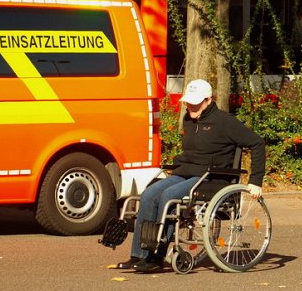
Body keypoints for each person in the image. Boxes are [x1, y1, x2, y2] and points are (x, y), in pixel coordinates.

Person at [114, 79, 266, 273]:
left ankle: (157, 257)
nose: (190, 107)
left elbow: (257, 143)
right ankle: (139, 254)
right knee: (148, 194)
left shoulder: (225, 122)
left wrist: (255, 181)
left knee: (169, 196)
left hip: (212, 177)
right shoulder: (188, 118)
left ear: (208, 100)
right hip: (186, 172)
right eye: (188, 102)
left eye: (195, 103)